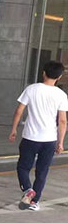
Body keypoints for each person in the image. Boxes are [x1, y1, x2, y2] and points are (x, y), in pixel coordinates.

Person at [9, 60, 68, 211]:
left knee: (23, 167)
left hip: (30, 137)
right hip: (49, 140)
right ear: (59, 77)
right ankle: (34, 202)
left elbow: (19, 111)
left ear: (43, 73)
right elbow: (62, 121)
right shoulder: (61, 95)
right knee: (42, 171)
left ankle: (28, 189)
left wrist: (14, 129)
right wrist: (60, 142)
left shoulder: (31, 89)